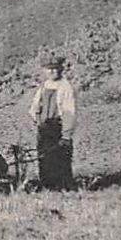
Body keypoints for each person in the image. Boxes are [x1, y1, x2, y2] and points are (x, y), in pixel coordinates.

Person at [27, 56, 77, 191]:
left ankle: (63, 187)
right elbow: (34, 107)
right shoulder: (44, 86)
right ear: (44, 71)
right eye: (49, 69)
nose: (52, 72)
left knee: (60, 158)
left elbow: (68, 112)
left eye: (55, 69)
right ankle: (47, 185)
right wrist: (37, 120)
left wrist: (66, 135)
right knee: (44, 157)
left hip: (58, 127)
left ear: (60, 70)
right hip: (44, 127)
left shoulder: (65, 87)